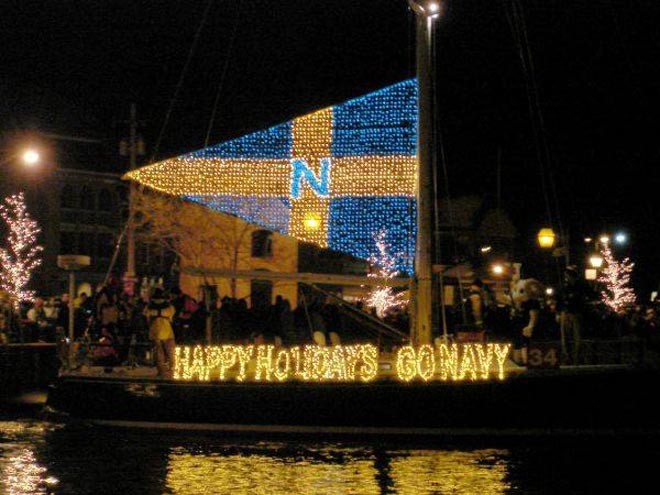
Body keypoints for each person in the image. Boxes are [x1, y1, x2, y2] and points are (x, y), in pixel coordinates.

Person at [557, 266, 589, 364]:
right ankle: (567, 358)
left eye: (568, 274)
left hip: (575, 313)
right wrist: (559, 312)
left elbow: (581, 299)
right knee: (565, 338)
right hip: (565, 312)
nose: (566, 276)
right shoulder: (564, 286)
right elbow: (560, 299)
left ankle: (576, 359)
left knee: (577, 338)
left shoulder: (580, 286)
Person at [144, 288, 176, 377]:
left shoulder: (149, 307)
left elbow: (146, 318)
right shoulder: (169, 307)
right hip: (167, 328)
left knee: (158, 351)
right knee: (170, 350)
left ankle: (161, 370)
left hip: (155, 328)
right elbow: (171, 317)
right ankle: (172, 369)